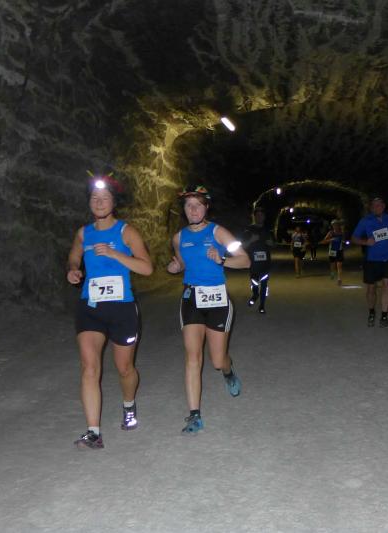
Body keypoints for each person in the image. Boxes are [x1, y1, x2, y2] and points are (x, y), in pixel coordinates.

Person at [66, 174, 153, 450]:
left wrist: (115, 254)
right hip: (90, 307)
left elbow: (147, 268)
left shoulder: (126, 232)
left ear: (114, 203)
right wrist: (73, 269)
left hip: (122, 308)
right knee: (89, 367)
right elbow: (74, 255)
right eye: (95, 198)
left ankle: (129, 404)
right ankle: (93, 432)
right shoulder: (84, 233)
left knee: (124, 368)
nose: (99, 202)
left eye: (105, 198)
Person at [167, 186, 250, 435]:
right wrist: (175, 268)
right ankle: (195, 416)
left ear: (206, 208)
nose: (193, 209)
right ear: (184, 210)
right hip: (191, 298)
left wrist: (222, 259)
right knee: (192, 357)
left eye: (198, 205)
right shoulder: (178, 238)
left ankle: (228, 371)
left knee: (217, 360)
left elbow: (245, 260)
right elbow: (181, 264)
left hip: (217, 299)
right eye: (188, 205)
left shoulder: (218, 232)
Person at [350, 197, 388, 327]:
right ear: (371, 208)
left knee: (387, 284)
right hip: (371, 260)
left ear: (383, 206)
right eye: (374, 206)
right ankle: (371, 312)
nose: (377, 207)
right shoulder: (365, 221)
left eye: (379, 205)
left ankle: (384, 317)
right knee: (371, 288)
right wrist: (365, 242)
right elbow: (354, 238)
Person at [242, 205, 273, 313]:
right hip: (253, 262)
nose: (260, 217)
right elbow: (243, 246)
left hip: (265, 263)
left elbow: (274, 243)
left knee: (264, 283)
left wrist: (271, 243)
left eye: (261, 215)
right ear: (254, 216)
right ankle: (255, 294)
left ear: (264, 217)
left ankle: (262, 305)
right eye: (257, 215)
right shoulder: (248, 229)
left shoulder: (268, 229)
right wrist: (251, 240)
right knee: (254, 282)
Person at [320, 219, 345, 285]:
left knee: (339, 265)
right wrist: (331, 240)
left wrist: (344, 241)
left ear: (338, 225)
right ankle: (332, 272)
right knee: (332, 264)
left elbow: (344, 240)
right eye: (334, 225)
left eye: (336, 225)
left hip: (339, 250)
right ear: (332, 226)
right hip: (332, 250)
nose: (335, 226)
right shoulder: (330, 233)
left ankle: (339, 279)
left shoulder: (341, 232)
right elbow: (323, 241)